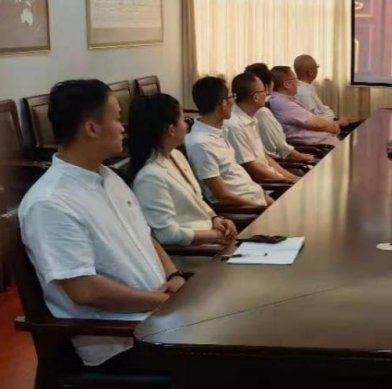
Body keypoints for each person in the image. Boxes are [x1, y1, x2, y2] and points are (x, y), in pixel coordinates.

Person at [17, 80, 185, 366]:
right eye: (117, 118)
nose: (123, 128)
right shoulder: (50, 202)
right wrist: (161, 302)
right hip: (122, 340)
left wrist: (174, 276)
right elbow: (85, 290)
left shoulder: (107, 176)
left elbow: (144, 235)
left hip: (158, 318)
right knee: (237, 361)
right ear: (91, 128)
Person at [129, 94, 238, 246]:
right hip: (195, 252)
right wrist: (216, 235)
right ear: (171, 130)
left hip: (210, 238)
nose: (187, 125)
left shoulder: (176, 155)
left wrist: (216, 218)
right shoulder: (150, 177)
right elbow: (168, 234)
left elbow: (197, 199)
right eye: (182, 119)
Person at [185, 76, 271, 209]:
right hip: (247, 210)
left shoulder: (220, 130)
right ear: (224, 103)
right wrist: (264, 209)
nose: (234, 101)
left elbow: (237, 176)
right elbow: (222, 196)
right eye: (232, 97)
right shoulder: (201, 144)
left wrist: (267, 200)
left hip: (257, 198)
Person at [226, 73, 301, 186]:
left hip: (272, 177)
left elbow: (264, 157)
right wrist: (287, 181)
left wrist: (291, 177)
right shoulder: (234, 125)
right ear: (255, 97)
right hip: (261, 184)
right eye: (264, 91)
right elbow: (251, 167)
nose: (267, 94)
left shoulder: (252, 117)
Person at [244, 63, 316, 164]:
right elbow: (280, 148)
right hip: (280, 163)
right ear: (268, 85)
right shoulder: (262, 112)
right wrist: (304, 157)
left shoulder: (245, 109)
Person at [269, 66, 340, 147]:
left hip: (321, 140)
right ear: (287, 84)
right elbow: (317, 124)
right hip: (317, 146)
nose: (297, 83)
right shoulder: (283, 103)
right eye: (295, 80)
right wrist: (334, 127)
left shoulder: (283, 99)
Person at [293, 54, 351, 127]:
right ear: (310, 72)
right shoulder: (304, 93)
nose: (317, 70)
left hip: (330, 122)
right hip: (328, 127)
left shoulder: (304, 88)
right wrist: (338, 123)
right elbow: (314, 123)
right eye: (316, 67)